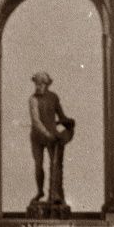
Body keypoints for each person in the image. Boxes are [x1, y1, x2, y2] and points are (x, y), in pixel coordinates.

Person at [29, 72, 75, 205]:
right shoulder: (33, 99)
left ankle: (56, 194)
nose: (38, 86)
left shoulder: (53, 97)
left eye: (41, 84)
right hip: (38, 136)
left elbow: (61, 115)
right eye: (37, 83)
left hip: (52, 135)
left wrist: (67, 122)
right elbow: (36, 121)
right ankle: (40, 191)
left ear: (47, 85)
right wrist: (47, 134)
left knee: (55, 165)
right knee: (39, 165)